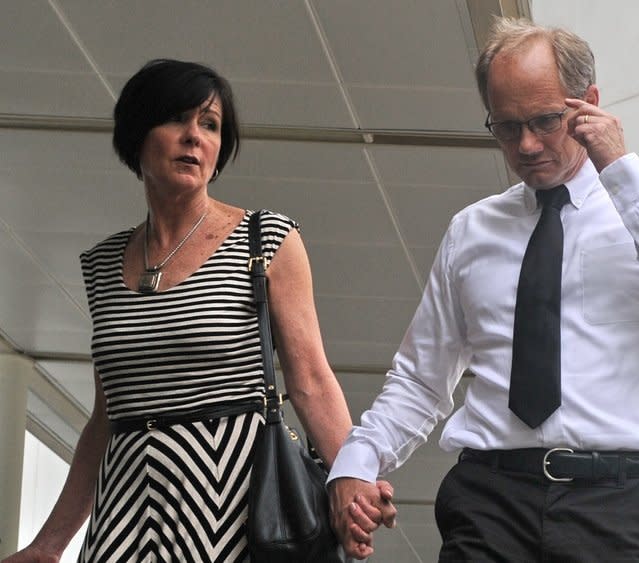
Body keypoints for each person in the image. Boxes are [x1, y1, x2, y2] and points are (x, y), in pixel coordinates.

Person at [328, 17, 639, 562]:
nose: (525, 145)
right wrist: (359, 459)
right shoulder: (470, 231)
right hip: (491, 500)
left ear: (588, 103)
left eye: (545, 121)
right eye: (505, 127)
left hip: (622, 503)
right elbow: (422, 377)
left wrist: (619, 168)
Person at [2, 58, 392, 563]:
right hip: (124, 509)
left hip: (233, 507)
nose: (194, 137)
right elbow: (106, 417)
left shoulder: (265, 238)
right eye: (176, 120)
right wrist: (48, 545)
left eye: (209, 125)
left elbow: (311, 381)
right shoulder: (101, 266)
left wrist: (352, 477)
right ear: (138, 135)